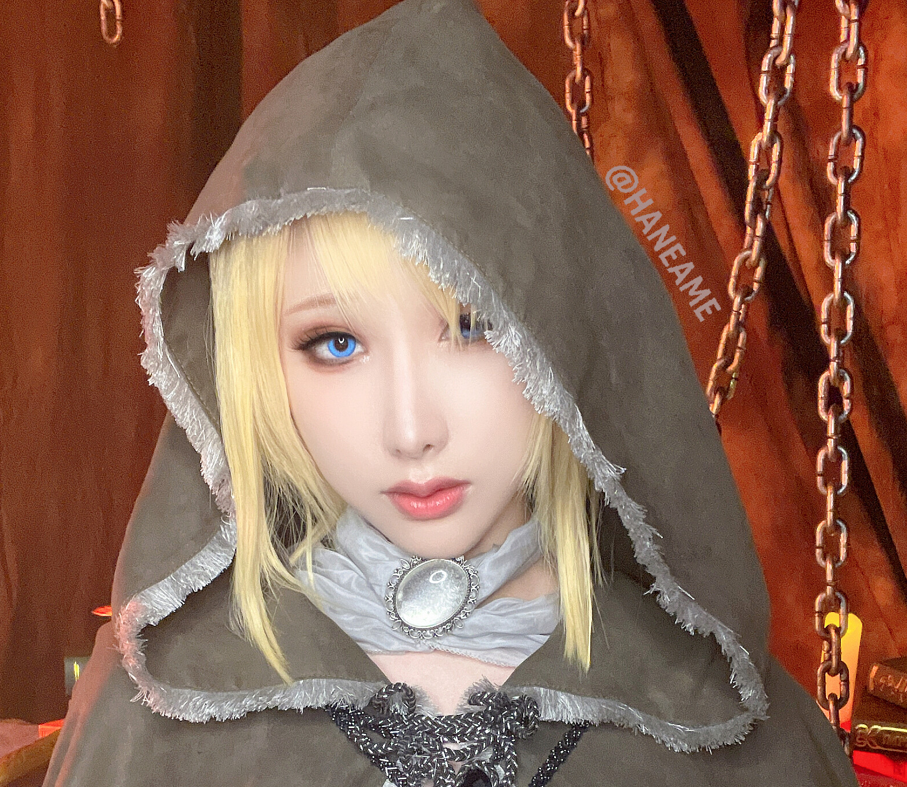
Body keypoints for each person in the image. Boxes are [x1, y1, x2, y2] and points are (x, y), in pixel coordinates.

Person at [44, 0, 859, 784]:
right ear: (259, 370)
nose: (410, 429)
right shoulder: (148, 714)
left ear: (565, 335)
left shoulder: (733, 735)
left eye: (472, 328)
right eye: (334, 344)